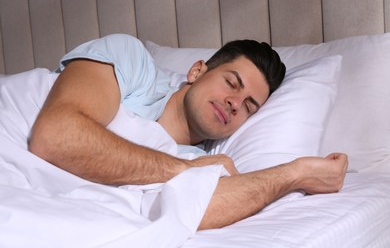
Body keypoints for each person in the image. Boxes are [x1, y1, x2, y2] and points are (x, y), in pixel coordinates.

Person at [28, 34, 348, 230]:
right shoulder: (133, 63)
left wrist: (297, 173)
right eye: (231, 83)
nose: (235, 103)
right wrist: (184, 171)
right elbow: (55, 135)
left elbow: (203, 210)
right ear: (197, 71)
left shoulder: (206, 161)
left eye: (249, 106)